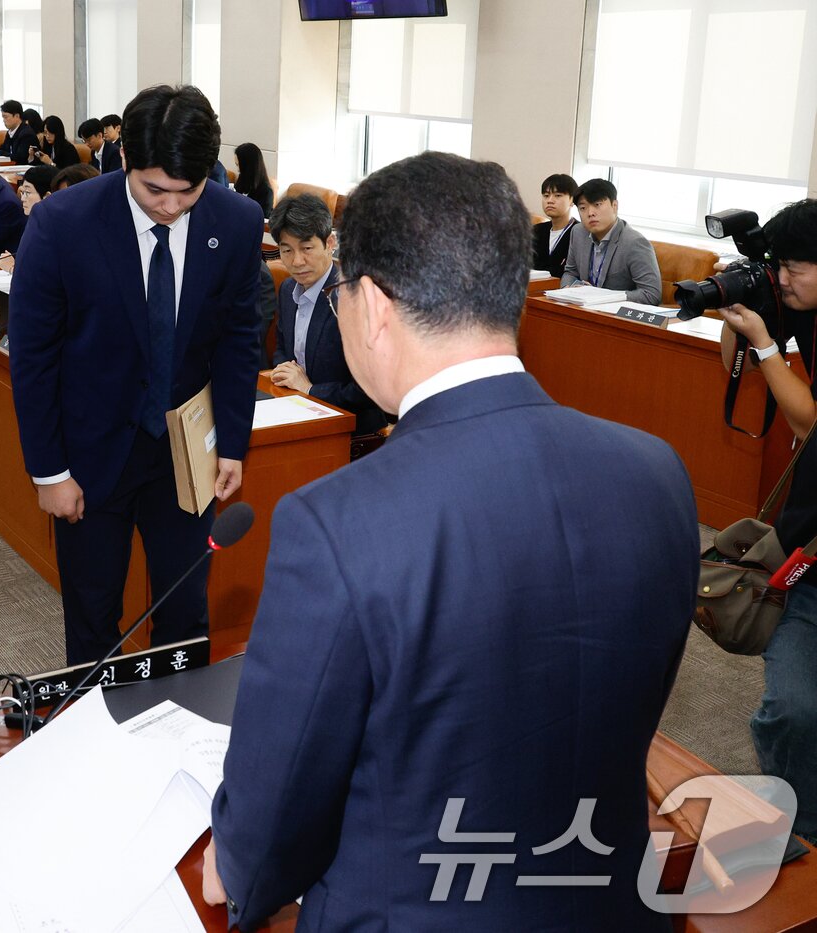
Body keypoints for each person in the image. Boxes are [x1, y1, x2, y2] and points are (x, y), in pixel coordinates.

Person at [203, 151, 698, 930]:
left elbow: (273, 822)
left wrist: (235, 860)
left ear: (370, 304)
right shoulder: (657, 471)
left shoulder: (336, 524)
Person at [9, 84, 263, 664]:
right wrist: (49, 471)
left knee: (185, 610)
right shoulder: (62, 221)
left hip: (186, 451)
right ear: (123, 157)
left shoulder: (238, 221)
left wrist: (232, 442)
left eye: (187, 191)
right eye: (154, 190)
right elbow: (34, 355)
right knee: (94, 609)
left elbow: (238, 339)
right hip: (92, 451)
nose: (171, 207)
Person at [715, 199, 817, 844]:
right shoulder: (799, 303)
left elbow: (808, 421)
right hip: (804, 545)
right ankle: (797, 823)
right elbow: (726, 358)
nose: (783, 280)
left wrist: (763, 344)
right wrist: (739, 312)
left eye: (795, 268)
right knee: (793, 706)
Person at [269, 193, 387, 434]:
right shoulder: (288, 288)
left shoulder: (355, 298)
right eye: (287, 250)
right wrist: (285, 372)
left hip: (352, 430)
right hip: (298, 410)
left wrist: (309, 390)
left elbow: (368, 389)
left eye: (307, 248)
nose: (297, 261)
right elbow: (282, 346)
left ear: (330, 243)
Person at [559, 177, 661, 304]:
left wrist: (601, 297)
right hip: (583, 311)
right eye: (583, 208)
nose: (590, 213)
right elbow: (570, 273)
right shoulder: (578, 232)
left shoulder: (634, 242)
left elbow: (651, 294)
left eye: (597, 205)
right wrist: (568, 289)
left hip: (614, 317)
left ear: (614, 206)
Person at [0, 166, 57, 273]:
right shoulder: (33, 223)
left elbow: (43, 277)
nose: (22, 198)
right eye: (22, 192)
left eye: (27, 193)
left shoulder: (54, 231)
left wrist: (12, 268)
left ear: (46, 196)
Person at [533, 173, 578, 278]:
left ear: (572, 200)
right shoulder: (536, 230)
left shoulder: (579, 233)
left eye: (558, 195)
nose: (550, 201)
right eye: (546, 195)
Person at [233, 142, 274, 219]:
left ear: (247, 166)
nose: (238, 169)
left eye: (238, 165)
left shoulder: (266, 191)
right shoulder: (242, 180)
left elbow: (263, 218)